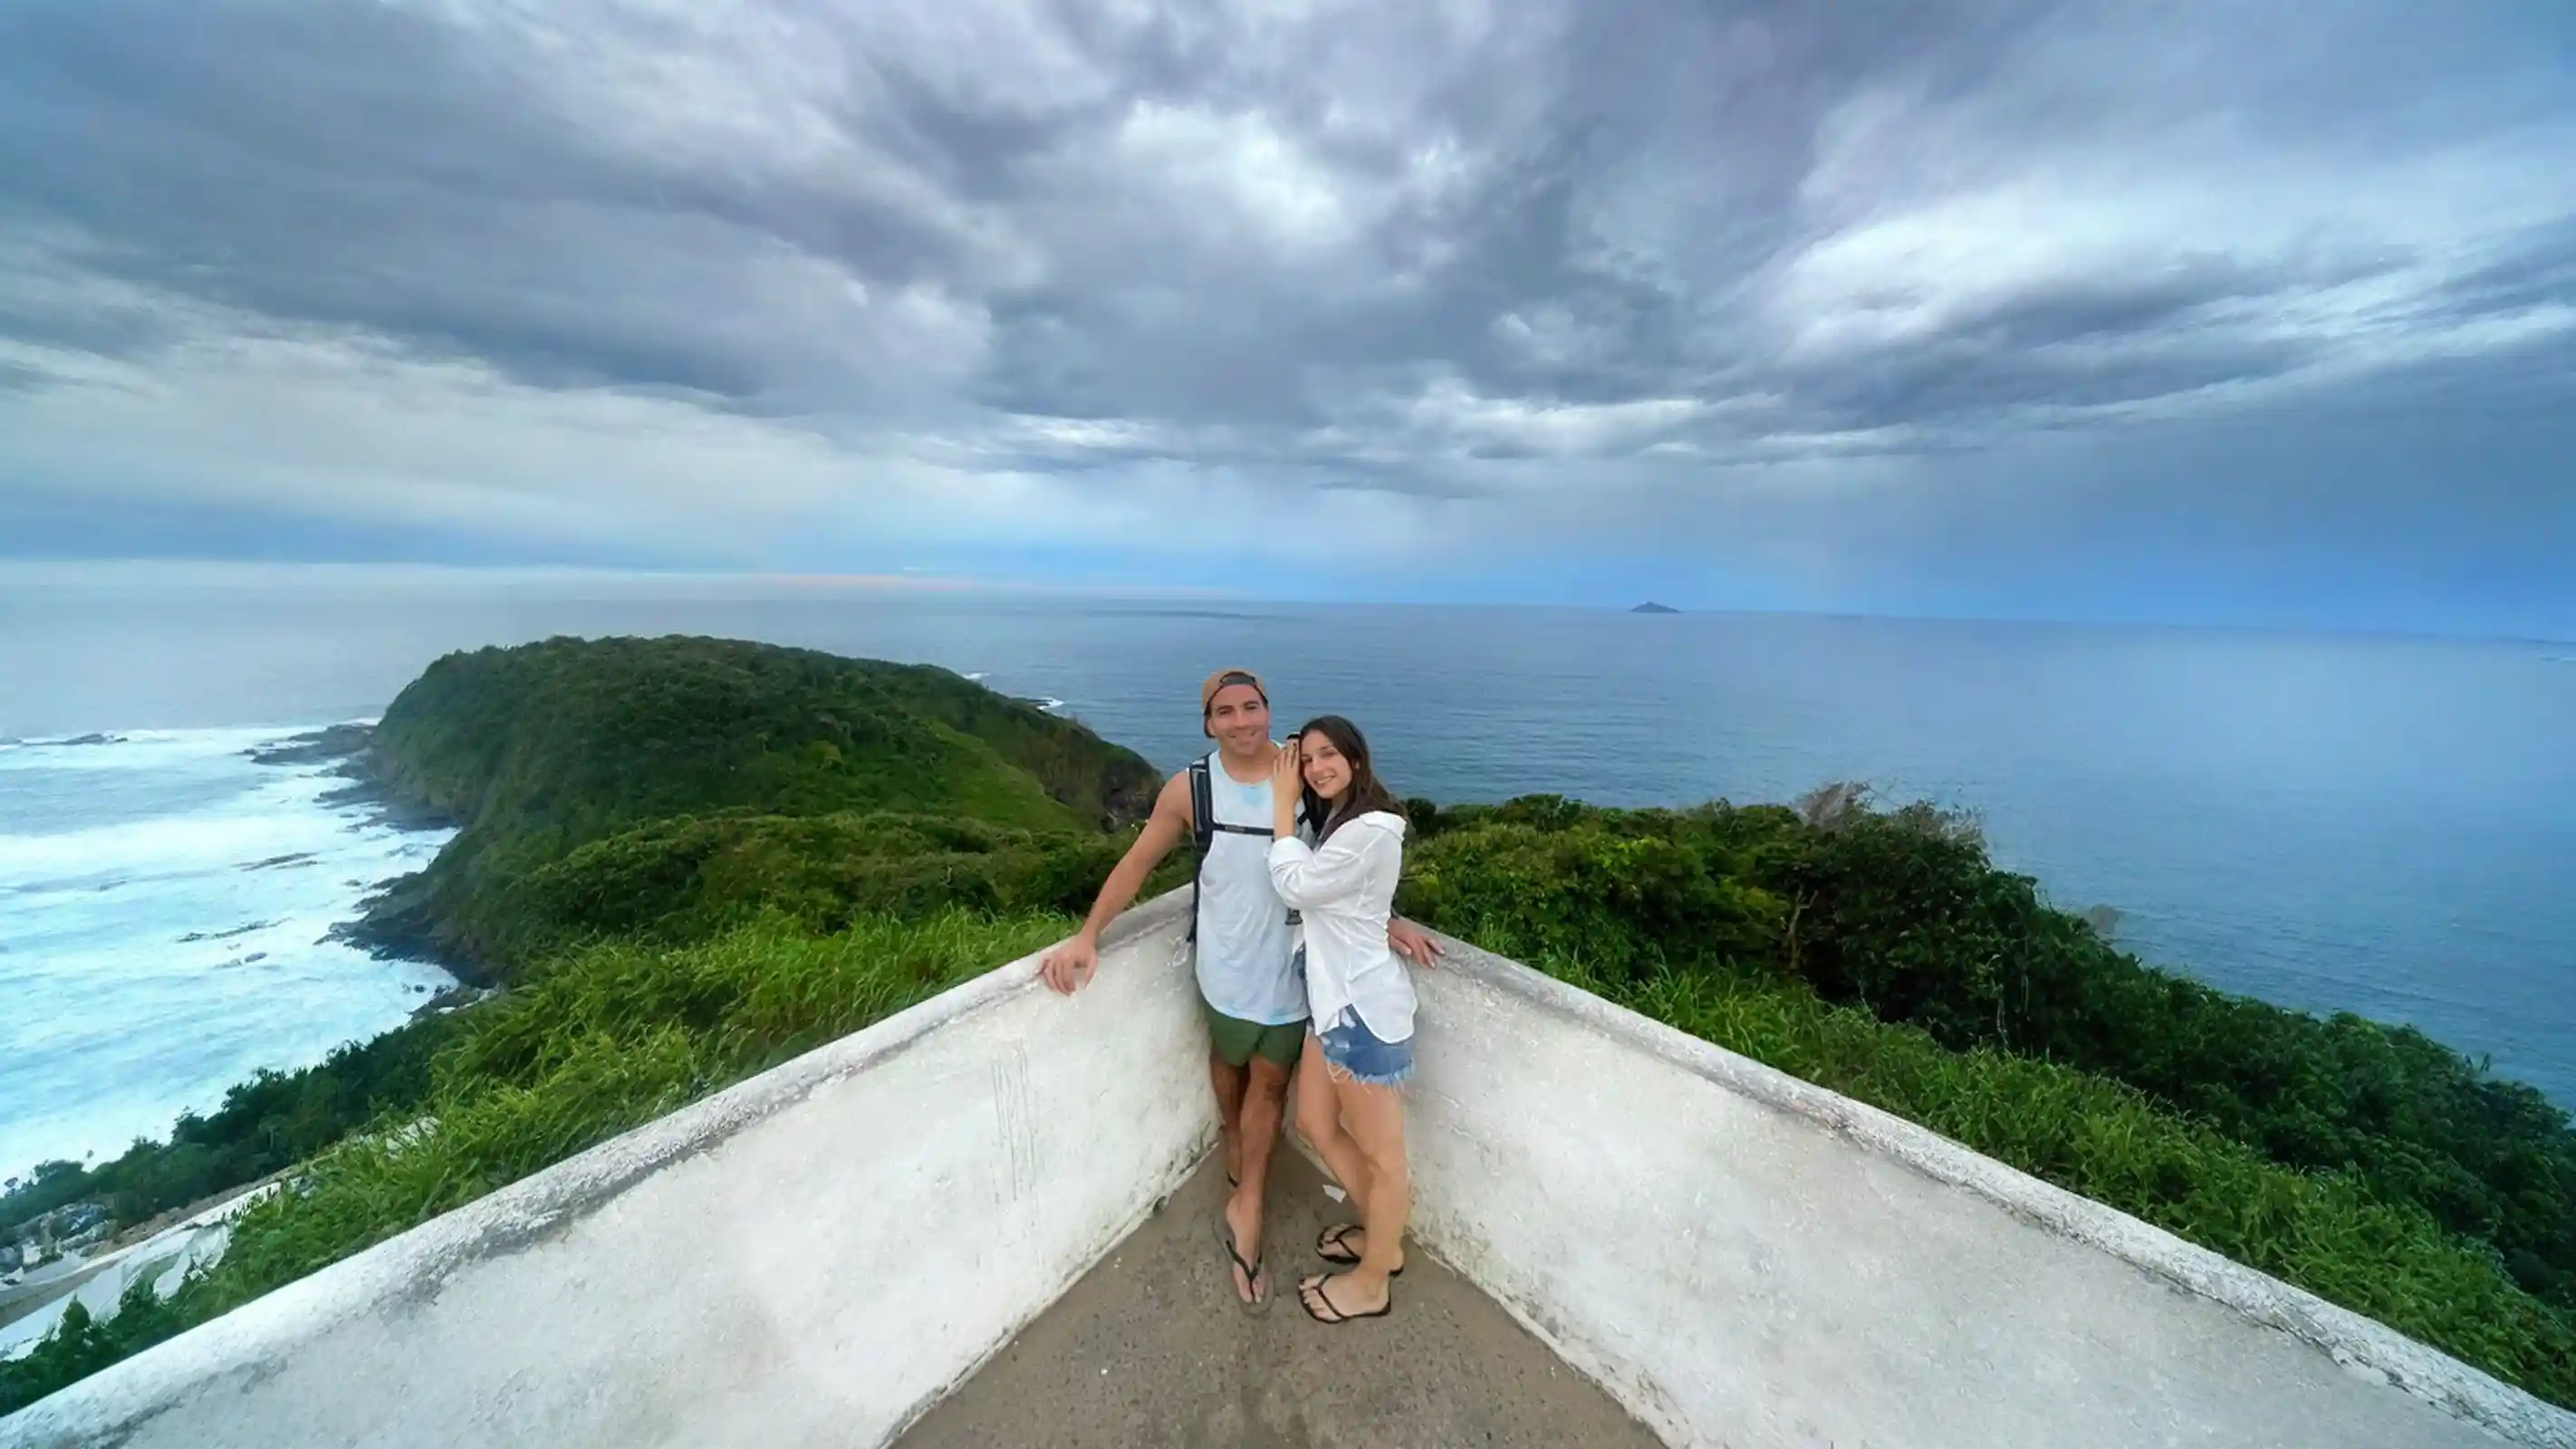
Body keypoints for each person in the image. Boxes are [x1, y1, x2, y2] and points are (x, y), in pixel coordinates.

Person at [1037, 670, 1443, 1310]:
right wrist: (1088, 934)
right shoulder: (1192, 789)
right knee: (1229, 1064)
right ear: (1208, 723)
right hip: (1223, 971)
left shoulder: (1302, 777)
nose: (1242, 720)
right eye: (1224, 711)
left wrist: (1385, 919)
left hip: (1293, 979)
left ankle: (1248, 1198)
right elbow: (1138, 861)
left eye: (1252, 706)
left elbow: (1341, 863)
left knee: (1273, 1084)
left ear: (1268, 710)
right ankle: (1236, 1144)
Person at [1266, 715, 1419, 1325]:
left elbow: (1296, 887)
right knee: (1313, 1121)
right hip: (1330, 1005)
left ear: (1356, 759)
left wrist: (1282, 807)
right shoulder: (1342, 821)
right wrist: (1388, 920)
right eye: (1305, 761)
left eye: (1328, 755)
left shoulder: (1371, 829)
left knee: (1385, 1159)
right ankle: (1382, 1239)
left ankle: (1374, 1280)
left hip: (1361, 1013)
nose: (1315, 769)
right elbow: (1353, 901)